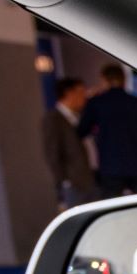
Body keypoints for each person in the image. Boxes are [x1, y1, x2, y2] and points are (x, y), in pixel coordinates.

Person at [77, 63, 137, 195]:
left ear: (104, 79)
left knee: (113, 206)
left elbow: (82, 131)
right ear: (124, 79)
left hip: (110, 165)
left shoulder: (97, 103)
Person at [41, 77, 96, 208]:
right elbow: (52, 153)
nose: (84, 97)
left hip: (89, 178)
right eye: (81, 93)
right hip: (74, 182)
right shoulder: (53, 119)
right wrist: (65, 181)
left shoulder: (78, 117)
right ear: (69, 93)